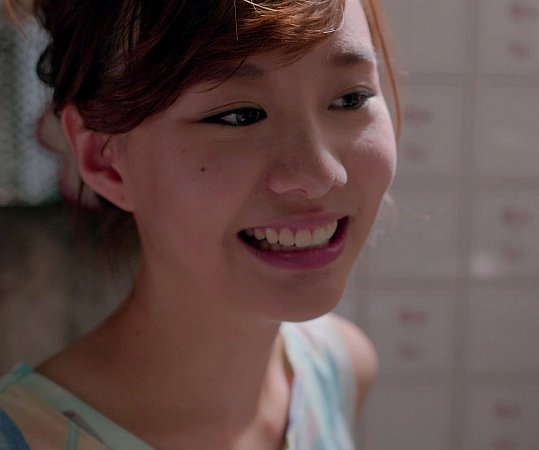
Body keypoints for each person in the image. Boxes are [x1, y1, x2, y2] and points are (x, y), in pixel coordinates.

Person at [0, 0, 398, 448]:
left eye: (350, 99)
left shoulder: (339, 369)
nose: (321, 174)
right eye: (239, 116)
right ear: (105, 159)